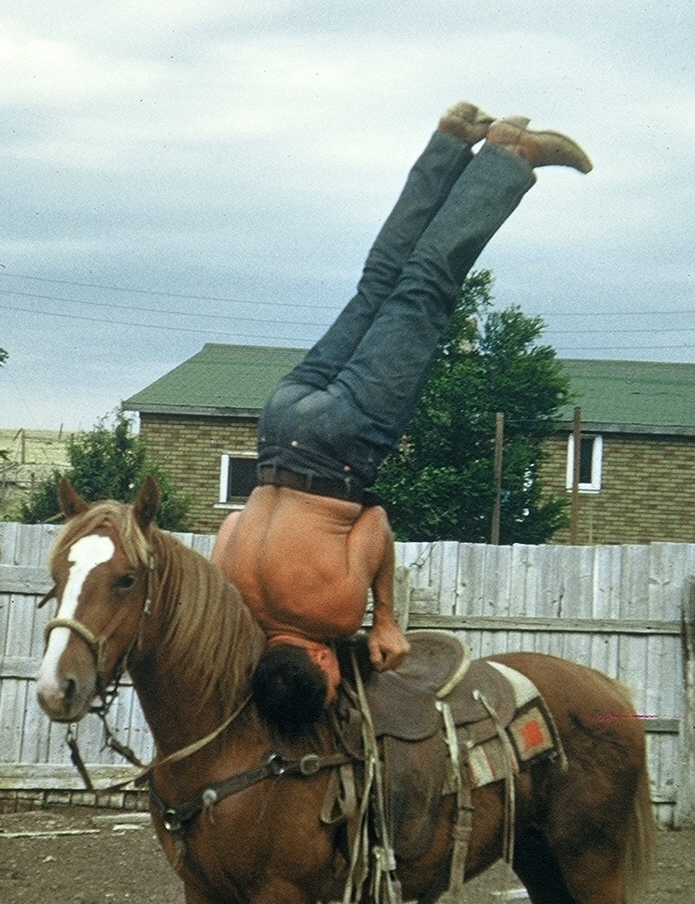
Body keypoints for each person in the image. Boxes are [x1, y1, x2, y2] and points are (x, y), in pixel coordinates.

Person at [212, 102, 591, 732]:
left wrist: (383, 618)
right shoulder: (238, 601)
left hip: (342, 442)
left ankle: (508, 156)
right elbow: (230, 528)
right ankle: (451, 141)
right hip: (279, 426)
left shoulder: (329, 619)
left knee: (424, 290)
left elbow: (376, 523)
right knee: (379, 285)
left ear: (322, 663)